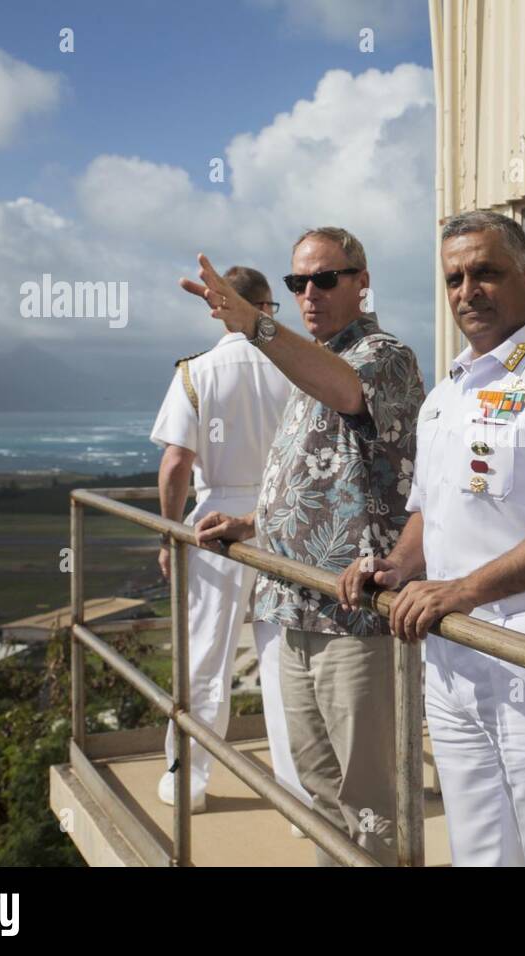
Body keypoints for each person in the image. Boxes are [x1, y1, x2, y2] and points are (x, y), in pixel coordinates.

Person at [337, 210, 525, 866]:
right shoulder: (446, 394)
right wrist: (395, 568)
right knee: (479, 847)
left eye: (486, 272)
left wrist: (463, 591)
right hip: (453, 650)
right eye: (454, 278)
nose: (468, 290)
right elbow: (428, 515)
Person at [182, 228, 423, 865]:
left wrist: (255, 328)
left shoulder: (381, 355)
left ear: (361, 281)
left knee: (367, 796)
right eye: (296, 284)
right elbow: (313, 472)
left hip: (354, 618)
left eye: (324, 279)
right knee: (317, 790)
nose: (307, 294)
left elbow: (347, 391)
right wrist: (250, 523)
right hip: (294, 607)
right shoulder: (306, 362)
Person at [149, 266, 301, 813]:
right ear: (264, 307)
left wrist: (169, 534)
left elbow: (176, 464)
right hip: (283, 519)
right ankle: (298, 794)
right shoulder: (295, 366)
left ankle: (188, 779)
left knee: (205, 654)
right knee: (285, 658)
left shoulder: (197, 372)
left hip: (215, 524)